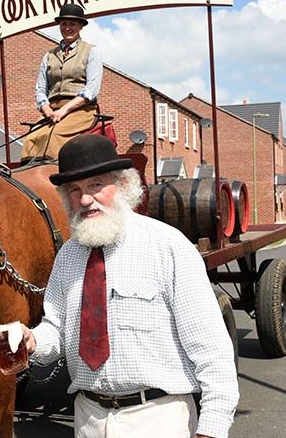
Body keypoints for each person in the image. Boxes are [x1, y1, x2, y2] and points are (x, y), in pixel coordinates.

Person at [19, 134, 239, 437]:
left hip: (158, 418)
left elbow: (211, 347)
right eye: (74, 190)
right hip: (88, 419)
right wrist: (32, 340)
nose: (85, 199)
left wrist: (212, 426)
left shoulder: (167, 246)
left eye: (96, 185)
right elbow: (58, 329)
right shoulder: (67, 256)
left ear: (123, 185)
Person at [22, 3, 104, 162]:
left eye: (72, 24)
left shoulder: (91, 52)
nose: (67, 28)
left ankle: (55, 174)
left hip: (81, 110)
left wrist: (64, 110)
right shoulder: (49, 55)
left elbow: (91, 90)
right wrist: (47, 109)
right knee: (31, 139)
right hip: (52, 111)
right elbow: (40, 89)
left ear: (80, 26)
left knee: (54, 135)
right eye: (63, 24)